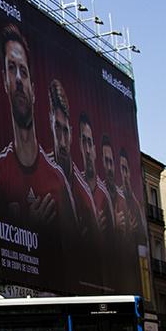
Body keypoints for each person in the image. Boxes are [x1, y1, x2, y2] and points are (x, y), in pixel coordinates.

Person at [0, 24, 76, 237]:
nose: (18, 79)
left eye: (23, 71)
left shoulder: (57, 179)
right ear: (4, 81)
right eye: (12, 68)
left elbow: (79, 254)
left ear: (33, 88)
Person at [49, 80, 98, 245]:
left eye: (65, 130)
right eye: (57, 128)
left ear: (70, 132)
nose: (62, 142)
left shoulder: (83, 192)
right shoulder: (42, 167)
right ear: (50, 124)